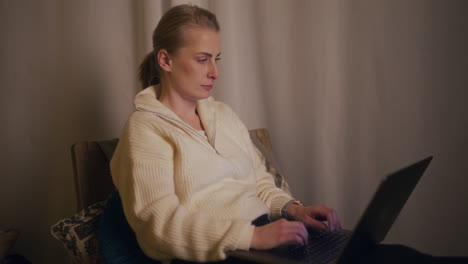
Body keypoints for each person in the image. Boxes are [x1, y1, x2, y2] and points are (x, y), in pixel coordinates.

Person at [107, 4, 341, 263]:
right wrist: (251, 238)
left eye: (216, 59)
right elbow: (158, 224)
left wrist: (293, 210)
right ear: (165, 60)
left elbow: (259, 183)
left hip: (262, 237)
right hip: (215, 253)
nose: (214, 73)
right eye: (202, 59)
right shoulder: (145, 128)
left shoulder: (224, 116)